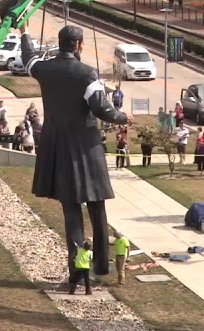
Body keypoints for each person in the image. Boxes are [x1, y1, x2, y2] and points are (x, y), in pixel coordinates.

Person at [20, 22, 128, 281]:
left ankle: (77, 271)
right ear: (79, 45)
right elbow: (102, 109)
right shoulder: (87, 74)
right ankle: (101, 265)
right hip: (86, 146)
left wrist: (24, 31)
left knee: (71, 209)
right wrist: (123, 117)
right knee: (97, 207)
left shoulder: (45, 70)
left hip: (57, 145)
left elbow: (28, 59)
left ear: (60, 43)